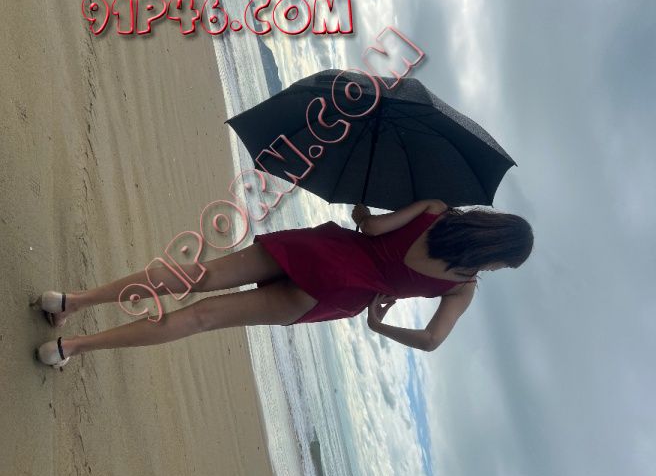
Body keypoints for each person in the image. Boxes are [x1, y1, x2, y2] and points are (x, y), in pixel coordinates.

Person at [32, 199, 533, 369]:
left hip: (322, 251)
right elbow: (430, 340)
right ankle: (68, 348)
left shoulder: (436, 210)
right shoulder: (461, 288)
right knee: (200, 319)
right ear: (498, 258)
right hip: (337, 293)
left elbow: (372, 228)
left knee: (198, 275)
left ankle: (72, 300)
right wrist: (378, 326)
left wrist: (363, 213)